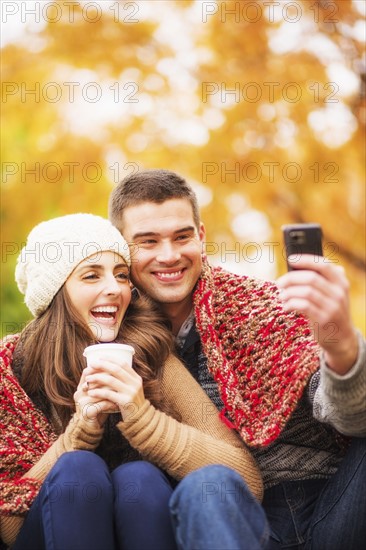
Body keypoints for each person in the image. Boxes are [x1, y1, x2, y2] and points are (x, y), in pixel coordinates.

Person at [109, 169, 366, 550]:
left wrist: (342, 345)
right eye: (148, 242)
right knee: (207, 485)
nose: (169, 255)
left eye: (182, 236)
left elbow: (350, 417)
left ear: (201, 236)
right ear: (122, 249)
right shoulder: (113, 339)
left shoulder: (266, 307)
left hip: (333, 507)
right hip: (222, 520)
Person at [0, 213, 264, 550]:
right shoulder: (12, 371)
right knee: (79, 470)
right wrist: (77, 436)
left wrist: (144, 417)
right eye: (92, 275)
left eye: (121, 275)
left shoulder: (149, 353)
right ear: (55, 294)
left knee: (137, 477)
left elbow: (246, 481)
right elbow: (8, 528)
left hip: (143, 521)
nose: (114, 288)